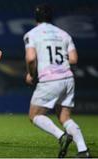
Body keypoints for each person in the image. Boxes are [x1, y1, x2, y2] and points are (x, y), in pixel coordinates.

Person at [23, 4, 91, 158]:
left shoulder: (32, 34)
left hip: (49, 80)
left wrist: (31, 74)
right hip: (68, 79)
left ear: (36, 18)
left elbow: (31, 57)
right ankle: (83, 150)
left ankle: (62, 136)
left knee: (34, 115)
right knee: (64, 117)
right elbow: (73, 59)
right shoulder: (64, 34)